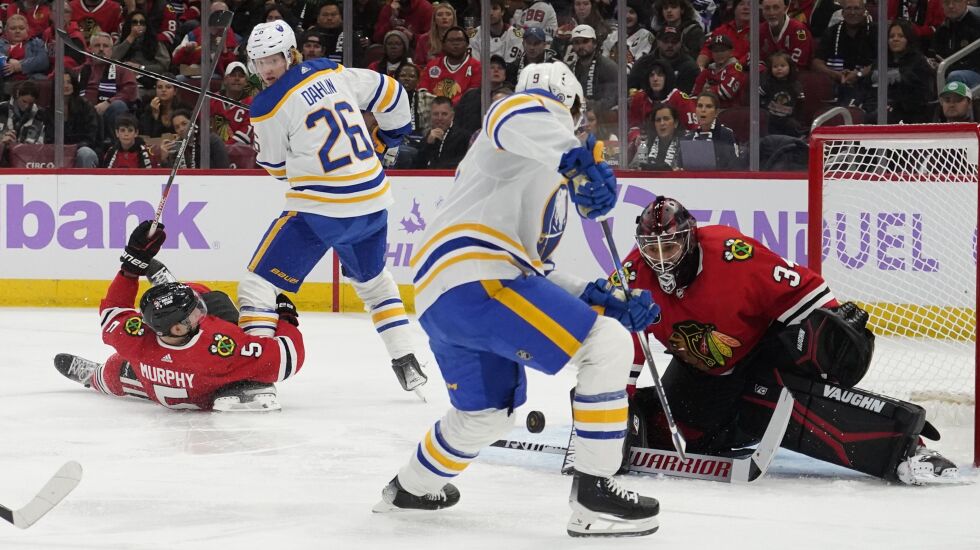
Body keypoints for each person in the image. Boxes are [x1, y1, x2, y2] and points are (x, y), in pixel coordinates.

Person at [373, 62, 661, 538]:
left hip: (444, 296)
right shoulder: (519, 116)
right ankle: (594, 493)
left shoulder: (531, 168)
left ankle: (411, 488)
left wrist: (595, 296)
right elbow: (517, 113)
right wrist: (576, 158)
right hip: (479, 279)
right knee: (607, 344)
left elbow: (533, 268)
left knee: (485, 414)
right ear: (574, 108)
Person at [618, 196, 959, 486]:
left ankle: (907, 450)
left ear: (690, 238)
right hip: (704, 373)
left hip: (764, 350)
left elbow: (807, 288)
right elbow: (619, 347)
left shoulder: (732, 256)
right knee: (675, 436)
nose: (660, 259)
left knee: (798, 390)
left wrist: (832, 334)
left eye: (669, 246)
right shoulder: (631, 276)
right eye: (651, 249)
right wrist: (616, 407)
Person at [242, 21, 430, 395]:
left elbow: (278, 170)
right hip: (373, 199)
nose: (266, 70)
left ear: (290, 54)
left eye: (273, 59)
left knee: (257, 287)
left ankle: (255, 381)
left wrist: (284, 144)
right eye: (260, 62)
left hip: (323, 208)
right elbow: (392, 93)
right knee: (374, 282)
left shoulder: (265, 105)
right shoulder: (330, 70)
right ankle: (407, 360)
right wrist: (389, 138)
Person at [54, 220, 305, 412]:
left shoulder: (135, 337)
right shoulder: (220, 344)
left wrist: (131, 266)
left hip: (153, 381)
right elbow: (288, 358)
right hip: (209, 384)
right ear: (177, 328)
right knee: (214, 298)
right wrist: (286, 317)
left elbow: (114, 310)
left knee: (114, 374)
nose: (200, 313)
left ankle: (94, 376)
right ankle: (176, 288)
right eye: (194, 313)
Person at [812, 0, 877, 110]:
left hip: (867, 87)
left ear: (864, 11)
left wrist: (859, 74)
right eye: (848, 8)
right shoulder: (831, 32)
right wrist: (834, 74)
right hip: (836, 85)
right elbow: (817, 62)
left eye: (856, 8)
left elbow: (883, 62)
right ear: (842, 13)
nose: (852, 12)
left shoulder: (876, 31)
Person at [82, 32, 138, 134]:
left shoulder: (121, 69)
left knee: (118, 105)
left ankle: (114, 141)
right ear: (90, 49)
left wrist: (108, 102)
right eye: (97, 45)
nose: (101, 49)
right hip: (83, 114)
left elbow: (130, 90)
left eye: (105, 46)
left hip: (108, 113)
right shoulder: (81, 69)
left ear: (111, 50)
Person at [44, 70, 101, 168]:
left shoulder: (86, 106)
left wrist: (72, 149)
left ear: (74, 85)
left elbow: (91, 137)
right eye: (62, 83)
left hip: (82, 149)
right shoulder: (49, 110)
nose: (66, 86)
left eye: (69, 82)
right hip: (58, 151)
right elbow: (48, 139)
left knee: (85, 153)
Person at [883, 19, 935, 124]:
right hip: (884, 107)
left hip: (912, 112)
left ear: (909, 39)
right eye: (891, 36)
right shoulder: (882, 60)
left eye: (901, 36)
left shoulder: (919, 62)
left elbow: (922, 95)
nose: (895, 39)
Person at [419, 26, 481, 104]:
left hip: (463, 109)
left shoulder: (477, 67)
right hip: (433, 109)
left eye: (459, 40)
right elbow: (423, 91)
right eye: (451, 40)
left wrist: (446, 105)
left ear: (467, 44)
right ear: (443, 45)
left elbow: (472, 96)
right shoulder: (432, 66)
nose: (455, 44)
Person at [113, 10, 171, 90]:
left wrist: (141, 68)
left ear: (146, 26)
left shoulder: (155, 42)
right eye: (134, 22)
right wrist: (131, 37)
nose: (138, 25)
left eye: (142, 23)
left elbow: (163, 66)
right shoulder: (122, 40)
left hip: (146, 85)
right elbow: (112, 58)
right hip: (123, 82)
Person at [683, 91, 740, 168]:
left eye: (708, 106)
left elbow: (734, 166)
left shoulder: (727, 135)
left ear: (716, 112)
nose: (703, 110)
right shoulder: (688, 137)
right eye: (700, 106)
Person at [930, 0, 980, 87]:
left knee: (955, 76)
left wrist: (948, 67)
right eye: (946, 2)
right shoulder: (942, 28)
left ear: (965, 2)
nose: (951, 6)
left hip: (974, 72)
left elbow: (975, 62)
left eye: (956, 1)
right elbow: (936, 53)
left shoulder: (976, 25)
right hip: (947, 68)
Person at [569, 24, 618, 112]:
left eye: (585, 41)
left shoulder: (608, 67)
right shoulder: (570, 68)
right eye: (576, 42)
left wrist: (588, 104)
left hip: (602, 117)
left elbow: (612, 100)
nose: (581, 46)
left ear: (595, 44)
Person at [160, 108, 230, 169]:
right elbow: (171, 176)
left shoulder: (212, 140)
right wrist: (164, 159)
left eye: (184, 123)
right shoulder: (178, 147)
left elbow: (224, 170)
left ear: (194, 123)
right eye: (177, 127)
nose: (181, 129)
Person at [692, 34, 747, 108]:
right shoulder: (708, 71)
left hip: (730, 110)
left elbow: (726, 93)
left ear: (731, 52)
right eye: (715, 51)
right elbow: (695, 94)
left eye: (722, 50)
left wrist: (706, 91)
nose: (719, 54)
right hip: (709, 110)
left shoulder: (736, 68)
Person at [760, 50, 806, 137]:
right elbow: (758, 98)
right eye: (775, 66)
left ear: (790, 67)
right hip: (771, 118)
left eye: (782, 66)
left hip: (788, 119)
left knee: (793, 125)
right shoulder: (767, 84)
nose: (779, 69)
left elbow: (800, 105)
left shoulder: (795, 86)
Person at [210, 61, 255, 146]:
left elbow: (245, 135)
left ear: (246, 82)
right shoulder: (212, 99)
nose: (237, 79)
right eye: (233, 75)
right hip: (212, 150)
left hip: (240, 152)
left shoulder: (252, 104)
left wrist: (222, 149)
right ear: (225, 80)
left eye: (241, 76)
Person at [599, 1, 653, 70]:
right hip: (610, 74)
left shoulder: (646, 35)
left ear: (638, 15)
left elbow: (639, 63)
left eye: (631, 12)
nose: (627, 16)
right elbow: (603, 59)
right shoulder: (612, 35)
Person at [417, 95, 468, 168]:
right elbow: (416, 167)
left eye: (444, 114)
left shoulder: (463, 138)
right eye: (435, 114)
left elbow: (460, 164)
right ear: (431, 116)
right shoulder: (428, 137)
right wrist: (428, 144)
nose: (439, 118)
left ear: (452, 116)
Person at [760, 0, 814, 68]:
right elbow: (754, 61)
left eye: (776, 8)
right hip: (766, 73)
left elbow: (799, 64)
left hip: (798, 73)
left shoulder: (800, 30)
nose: (771, 13)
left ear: (785, 9)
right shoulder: (760, 30)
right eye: (767, 8)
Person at [697, 0, 750, 68]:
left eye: (750, 5)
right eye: (742, 4)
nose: (746, 7)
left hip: (746, 70)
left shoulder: (759, 31)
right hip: (719, 69)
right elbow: (706, 51)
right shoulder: (722, 30)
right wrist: (701, 66)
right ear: (734, 9)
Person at [632, 103, 684, 170]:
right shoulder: (646, 143)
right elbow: (634, 168)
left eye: (666, 119)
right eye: (658, 120)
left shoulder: (684, 143)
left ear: (675, 123)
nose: (662, 123)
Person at [0, 14, 49, 85]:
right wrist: (7, 60)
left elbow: (43, 61)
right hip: (5, 81)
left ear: (27, 29)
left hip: (31, 80)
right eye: (13, 28)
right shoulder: (1, 43)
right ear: (6, 31)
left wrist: (20, 65)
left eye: (21, 28)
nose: (17, 31)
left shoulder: (36, 42)